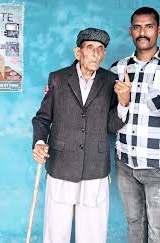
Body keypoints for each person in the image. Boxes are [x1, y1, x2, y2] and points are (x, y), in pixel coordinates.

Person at [32, 27, 130, 243]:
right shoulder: (57, 79)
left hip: (95, 167)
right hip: (61, 165)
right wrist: (39, 142)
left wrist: (124, 102)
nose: (96, 53)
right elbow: (42, 119)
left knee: (93, 234)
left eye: (101, 49)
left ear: (104, 54)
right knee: (56, 232)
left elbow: (112, 125)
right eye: (90, 48)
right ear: (78, 52)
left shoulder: (110, 81)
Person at [111, 6, 160, 243]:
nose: (143, 32)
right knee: (134, 223)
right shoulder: (118, 68)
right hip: (125, 164)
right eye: (137, 27)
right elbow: (92, 92)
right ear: (131, 31)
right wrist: (57, 89)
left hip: (156, 166)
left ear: (158, 30)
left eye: (149, 26)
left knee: (158, 230)